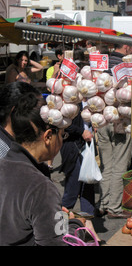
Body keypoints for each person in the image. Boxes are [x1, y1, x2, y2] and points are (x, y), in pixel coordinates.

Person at [0, 92, 91, 246]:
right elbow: (56, 242)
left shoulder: (4, 165)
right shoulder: (40, 186)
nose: (62, 141)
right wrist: (77, 225)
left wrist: (53, 212)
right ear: (48, 136)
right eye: (62, 135)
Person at [96, 35, 132, 219]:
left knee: (107, 164)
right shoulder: (128, 67)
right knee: (120, 164)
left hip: (101, 119)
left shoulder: (103, 62)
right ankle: (114, 207)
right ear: (126, 47)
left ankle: (103, 204)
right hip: (121, 119)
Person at [59, 51, 96, 220]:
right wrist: (82, 131)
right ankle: (59, 226)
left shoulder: (89, 96)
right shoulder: (67, 97)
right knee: (73, 187)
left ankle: (88, 222)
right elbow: (63, 123)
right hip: (73, 145)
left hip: (87, 144)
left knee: (88, 185)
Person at [0, 82, 41, 160]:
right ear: (14, 112)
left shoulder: (14, 143)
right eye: (35, 111)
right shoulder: (3, 152)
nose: (39, 118)